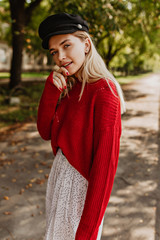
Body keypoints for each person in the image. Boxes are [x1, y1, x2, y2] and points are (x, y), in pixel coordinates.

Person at [37, 12, 125, 240]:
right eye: (54, 51)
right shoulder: (70, 86)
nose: (61, 56)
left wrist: (87, 231)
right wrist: (50, 92)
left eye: (67, 45)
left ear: (86, 44)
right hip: (59, 180)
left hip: (80, 193)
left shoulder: (105, 93)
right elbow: (45, 132)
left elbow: (105, 170)